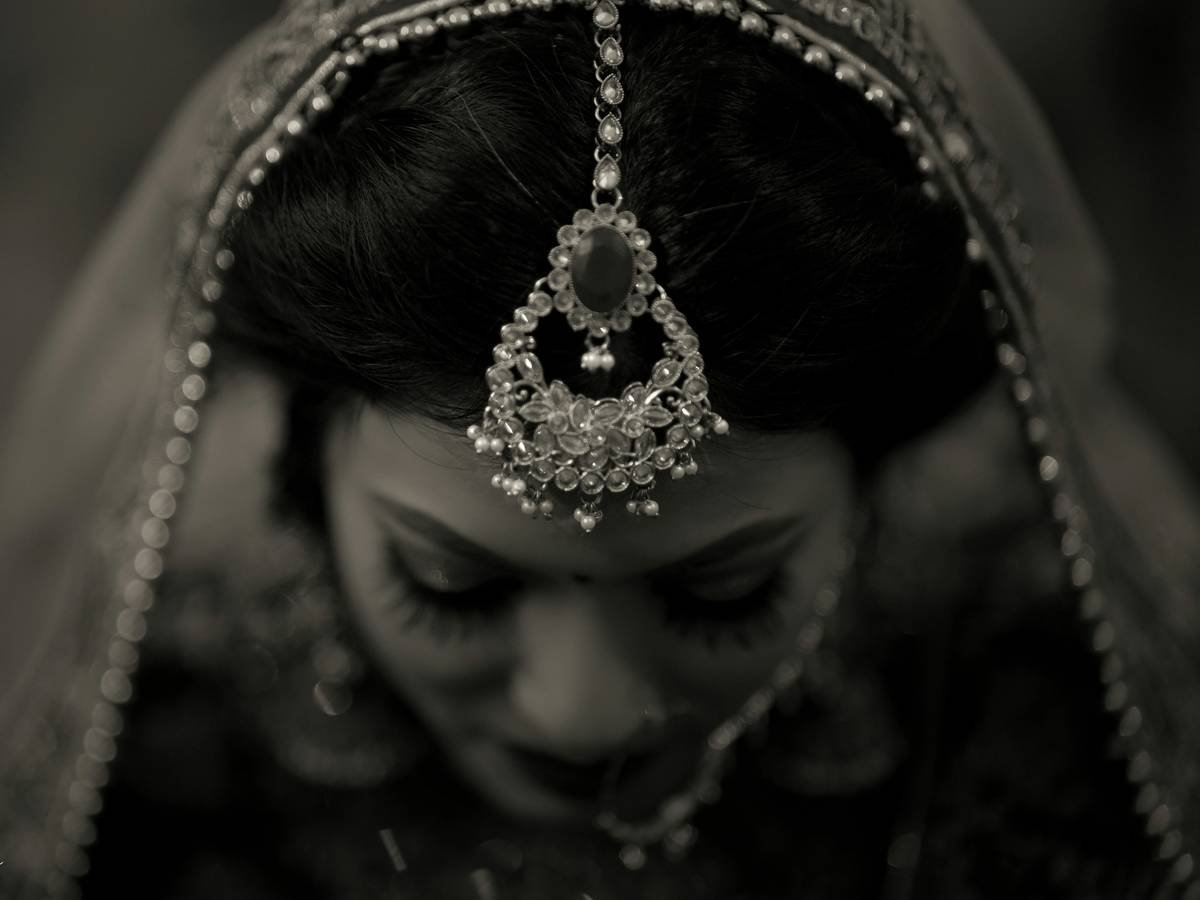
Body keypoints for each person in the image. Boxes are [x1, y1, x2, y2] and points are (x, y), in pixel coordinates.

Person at [1, 0, 1198, 897]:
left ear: (878, 487)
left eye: (727, 594)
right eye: (452, 587)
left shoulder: (1045, 772)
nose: (583, 714)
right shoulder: (147, 782)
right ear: (300, 475)